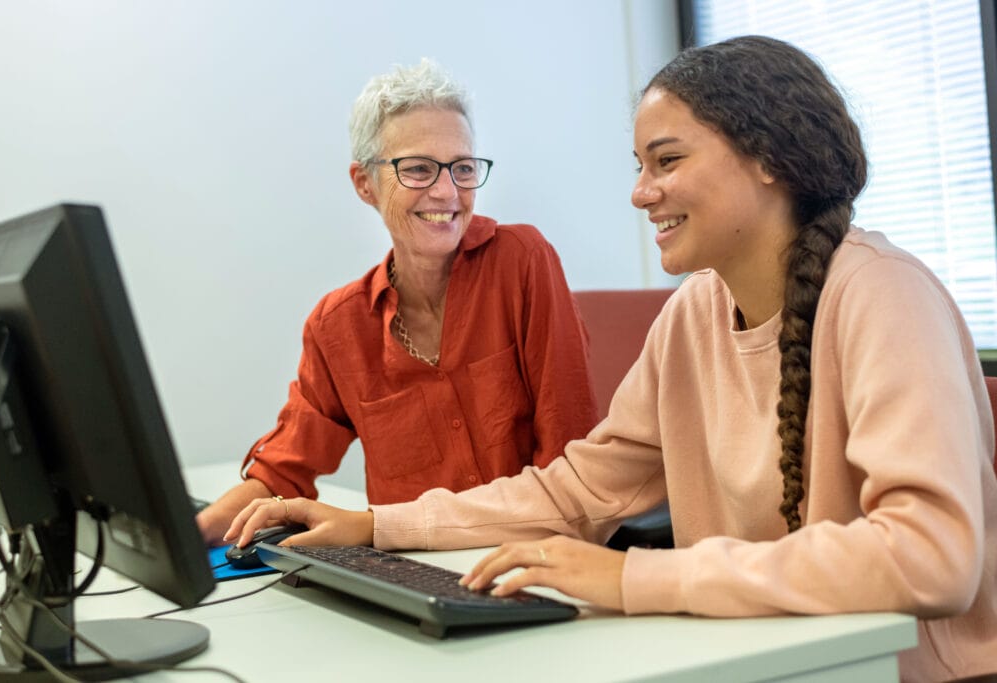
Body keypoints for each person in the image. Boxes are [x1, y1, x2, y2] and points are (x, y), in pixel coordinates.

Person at [225, 37, 997, 681]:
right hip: (767, 660)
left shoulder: (883, 297)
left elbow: (932, 557)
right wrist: (377, 526)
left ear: (769, 159)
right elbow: (577, 489)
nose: (639, 192)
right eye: (638, 164)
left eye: (665, 161)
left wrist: (637, 578)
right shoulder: (694, 314)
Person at [196, 59, 597, 545]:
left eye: (463, 168)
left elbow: (571, 473)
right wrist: (184, 540)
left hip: (530, 559)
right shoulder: (337, 326)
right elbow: (281, 473)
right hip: (414, 577)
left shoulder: (521, 262)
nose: (447, 192)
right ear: (365, 183)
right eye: (419, 169)